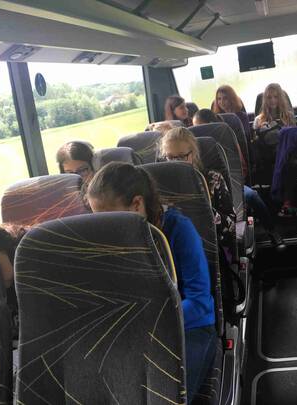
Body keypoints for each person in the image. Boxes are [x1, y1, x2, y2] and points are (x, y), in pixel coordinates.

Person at [86, 162, 216, 403]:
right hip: (136, 331)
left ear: (137, 204)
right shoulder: (108, 239)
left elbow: (199, 302)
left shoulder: (179, 229)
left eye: (109, 217)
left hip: (189, 328)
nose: (104, 227)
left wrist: (149, 325)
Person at [159, 127, 236, 257]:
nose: (175, 163)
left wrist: (205, 211)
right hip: (172, 252)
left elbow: (232, 226)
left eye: (181, 156)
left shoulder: (212, 179)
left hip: (211, 250)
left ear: (193, 154)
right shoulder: (160, 186)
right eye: (170, 157)